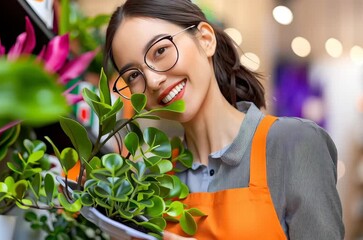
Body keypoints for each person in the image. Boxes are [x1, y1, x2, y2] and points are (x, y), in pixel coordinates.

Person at [103, 0, 345, 239]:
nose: (153, 81)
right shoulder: (157, 180)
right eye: (134, 75)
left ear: (205, 40)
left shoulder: (295, 144)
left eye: (160, 51)